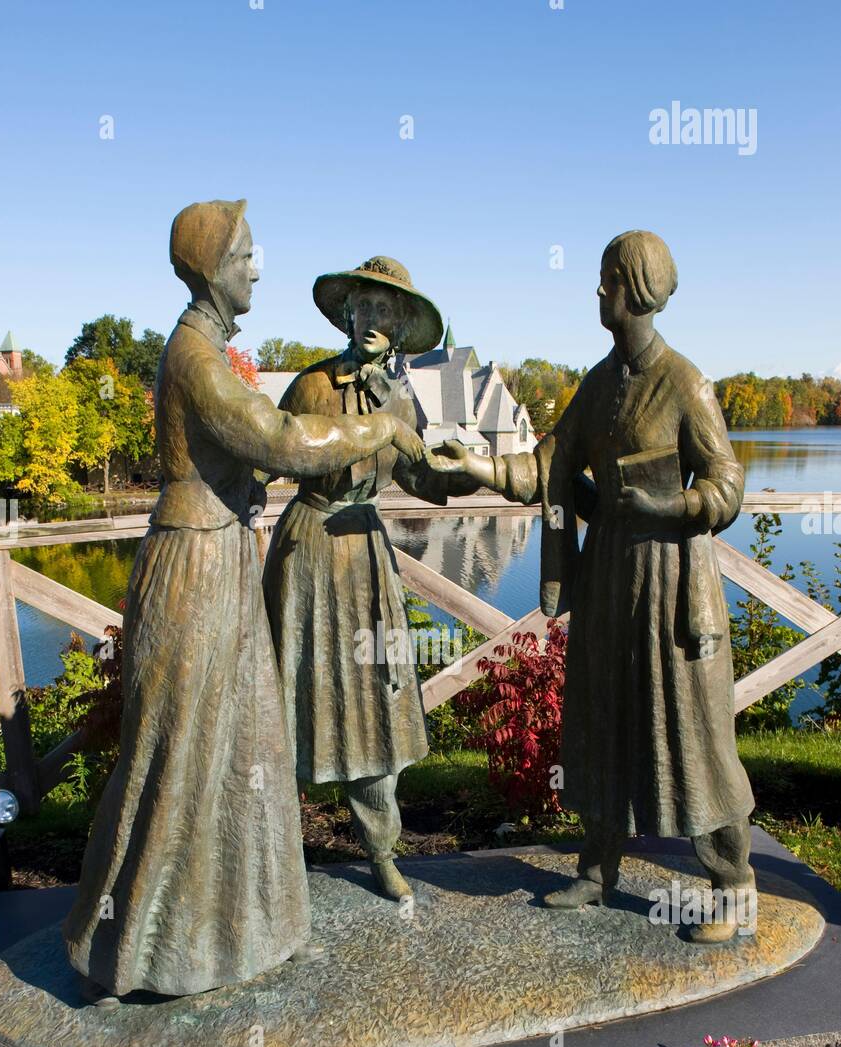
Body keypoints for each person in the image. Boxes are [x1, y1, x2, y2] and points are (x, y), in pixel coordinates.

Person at [63, 203, 425, 998]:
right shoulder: (197, 357)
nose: (258, 269)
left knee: (240, 746)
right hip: (196, 565)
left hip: (221, 553)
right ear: (213, 265)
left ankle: (235, 931)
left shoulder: (209, 353)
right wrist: (380, 429)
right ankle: (151, 947)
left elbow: (254, 458)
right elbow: (285, 441)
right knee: (187, 747)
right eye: (248, 256)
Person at [429, 230, 756, 943]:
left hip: (670, 586)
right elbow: (548, 466)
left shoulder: (684, 383)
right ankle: (597, 866)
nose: (597, 292)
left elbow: (727, 486)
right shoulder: (599, 382)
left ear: (634, 288)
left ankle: (732, 884)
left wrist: (671, 507)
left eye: (606, 279)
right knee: (601, 720)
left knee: (690, 733)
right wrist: (482, 466)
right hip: (609, 577)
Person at [264, 256, 476, 900]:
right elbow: (277, 455)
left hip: (366, 558)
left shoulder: (400, 397)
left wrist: (470, 471)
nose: (373, 320)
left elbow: (420, 477)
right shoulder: (310, 388)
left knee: (375, 707)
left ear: (405, 325)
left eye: (387, 310)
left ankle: (381, 850)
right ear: (347, 313)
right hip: (308, 553)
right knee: (283, 699)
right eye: (364, 306)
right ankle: (268, 853)